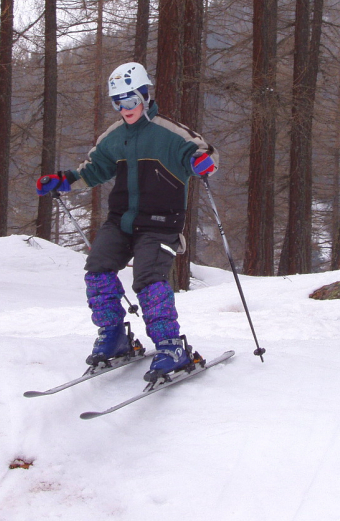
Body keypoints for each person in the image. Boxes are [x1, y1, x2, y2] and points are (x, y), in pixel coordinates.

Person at [36, 62, 219, 382]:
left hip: (161, 223)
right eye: (117, 102)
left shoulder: (169, 133)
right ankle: (115, 336)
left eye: (131, 99)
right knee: (97, 270)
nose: (125, 108)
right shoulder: (114, 136)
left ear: (145, 95)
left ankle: (171, 346)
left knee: (148, 279)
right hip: (121, 221)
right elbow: (91, 171)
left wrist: (201, 163)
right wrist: (62, 181)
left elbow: (206, 154)